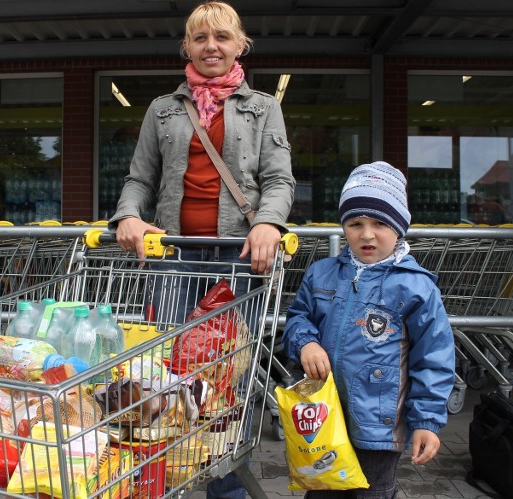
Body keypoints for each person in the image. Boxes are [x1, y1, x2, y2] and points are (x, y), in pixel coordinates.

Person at [109, 2, 295, 497]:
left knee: (225, 378)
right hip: (174, 257)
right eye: (199, 38)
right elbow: (139, 179)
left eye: (221, 37)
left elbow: (278, 180)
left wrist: (270, 223)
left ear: (240, 45)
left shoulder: (262, 108)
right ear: (186, 47)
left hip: (238, 259)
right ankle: (161, 478)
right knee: (163, 372)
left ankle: (225, 486)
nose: (210, 46)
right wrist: (128, 215)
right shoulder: (163, 110)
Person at [282, 161, 456, 498]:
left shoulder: (416, 287)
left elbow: (434, 359)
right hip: (324, 415)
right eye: (355, 223)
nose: (366, 234)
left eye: (379, 223)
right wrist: (305, 343)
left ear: (399, 227)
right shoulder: (322, 274)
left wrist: (426, 422)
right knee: (321, 491)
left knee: (374, 492)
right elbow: (298, 318)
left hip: (380, 424)